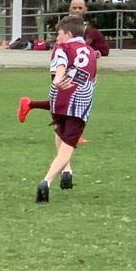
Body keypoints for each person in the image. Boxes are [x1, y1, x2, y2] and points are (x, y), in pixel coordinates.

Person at [17, 0, 109, 124]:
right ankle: (62, 129)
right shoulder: (65, 26)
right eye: (74, 8)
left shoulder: (89, 30)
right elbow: (59, 45)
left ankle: (30, 105)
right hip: (64, 66)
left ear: (85, 9)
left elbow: (104, 49)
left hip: (79, 70)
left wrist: (97, 52)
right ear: (69, 8)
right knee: (66, 99)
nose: (77, 10)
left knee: (71, 98)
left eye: (80, 8)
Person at [34, 14, 97, 203]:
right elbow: (91, 78)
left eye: (59, 33)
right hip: (80, 102)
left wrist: (59, 80)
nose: (57, 37)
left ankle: (67, 170)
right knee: (68, 144)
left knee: (60, 132)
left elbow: (60, 67)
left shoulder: (62, 48)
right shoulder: (91, 52)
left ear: (68, 34)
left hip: (59, 98)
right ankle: (46, 181)